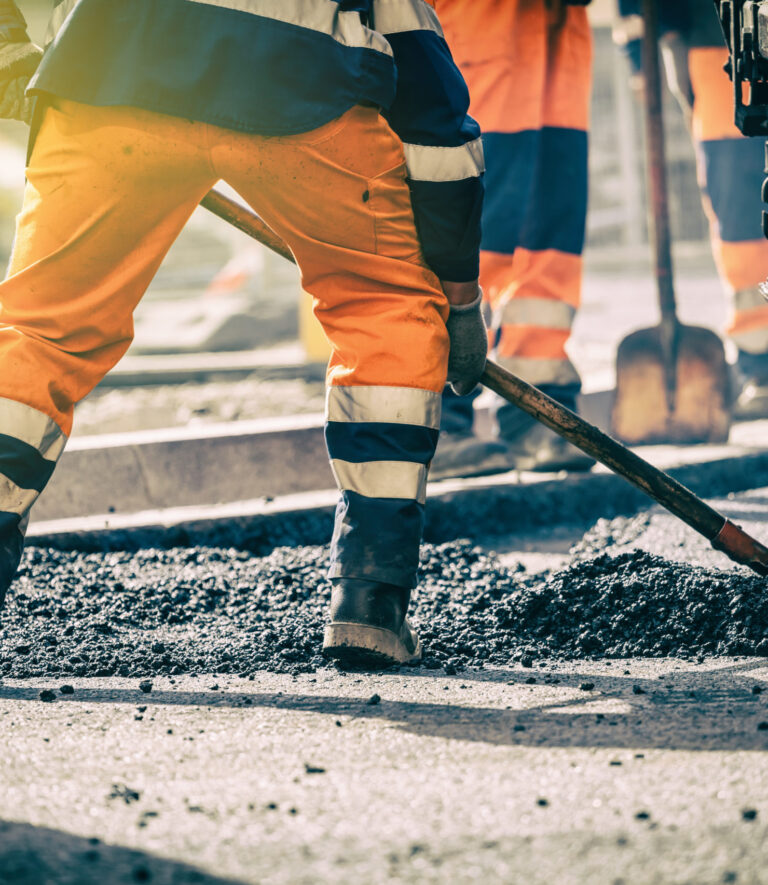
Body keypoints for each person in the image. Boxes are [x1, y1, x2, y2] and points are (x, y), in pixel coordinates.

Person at [0, 0, 487, 668]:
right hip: (302, 76)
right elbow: (436, 125)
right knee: (385, 305)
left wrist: (8, 51)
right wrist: (457, 299)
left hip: (112, 63)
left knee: (40, 329)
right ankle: (370, 599)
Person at [431, 0, 596, 478]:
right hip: (477, 20)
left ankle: (537, 409)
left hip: (557, 22)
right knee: (471, 208)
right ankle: (432, 420)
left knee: (550, 227)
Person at [615, 0, 768, 418]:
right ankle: (762, 366)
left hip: (719, 44)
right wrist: (644, 55)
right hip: (720, 49)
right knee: (742, 219)